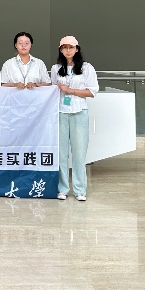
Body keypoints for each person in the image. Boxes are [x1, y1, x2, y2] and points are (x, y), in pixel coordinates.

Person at [51, 36, 99, 202]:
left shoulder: (86, 68)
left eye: (71, 47)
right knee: (61, 153)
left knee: (79, 153)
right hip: (61, 112)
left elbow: (92, 91)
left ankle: (80, 189)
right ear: (60, 50)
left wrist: (70, 91)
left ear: (77, 49)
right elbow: (52, 91)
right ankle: (62, 188)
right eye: (64, 47)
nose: (68, 50)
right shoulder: (56, 68)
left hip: (79, 112)